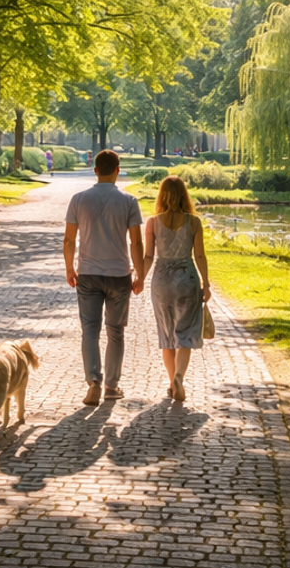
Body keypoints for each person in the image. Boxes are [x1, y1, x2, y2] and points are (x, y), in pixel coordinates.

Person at [63, 149, 145, 406]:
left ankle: (93, 382)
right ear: (118, 170)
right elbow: (136, 242)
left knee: (90, 329)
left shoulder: (78, 200)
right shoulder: (129, 201)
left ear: (95, 170)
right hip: (119, 274)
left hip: (87, 273)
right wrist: (140, 274)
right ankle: (112, 385)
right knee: (116, 331)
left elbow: (69, 239)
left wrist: (69, 268)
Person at [140, 176, 211, 402]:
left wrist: (140, 277)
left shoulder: (153, 222)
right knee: (186, 332)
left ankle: (172, 383)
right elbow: (199, 255)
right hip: (186, 278)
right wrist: (206, 283)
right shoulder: (194, 222)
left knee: (167, 334)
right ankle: (180, 377)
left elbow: (149, 255)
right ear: (184, 195)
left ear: (162, 195)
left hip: (161, 280)